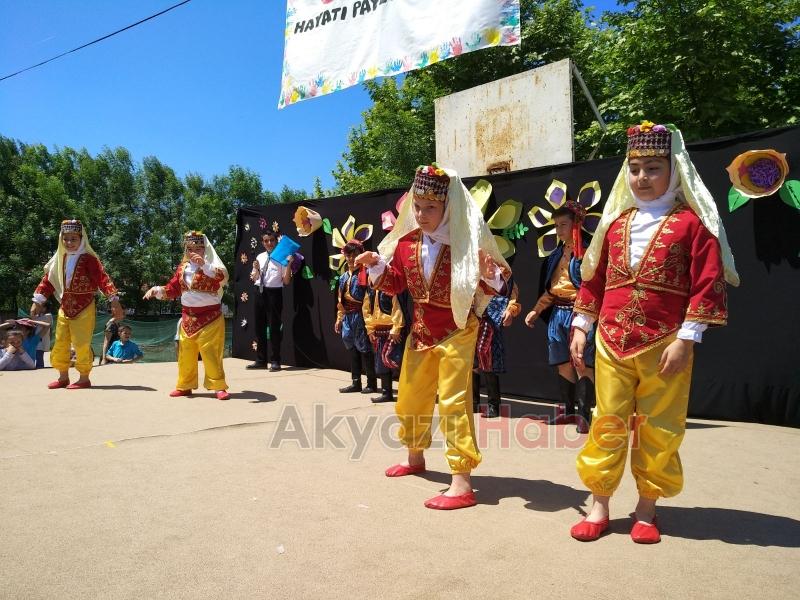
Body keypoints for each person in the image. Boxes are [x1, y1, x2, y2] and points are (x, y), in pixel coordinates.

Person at [568, 122, 739, 543]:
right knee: (606, 420)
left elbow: (707, 282)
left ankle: (646, 506)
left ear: (673, 171)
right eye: (635, 168)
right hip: (610, 339)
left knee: (658, 425)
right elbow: (595, 277)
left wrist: (687, 337)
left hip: (665, 342)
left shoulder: (691, 225)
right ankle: (600, 503)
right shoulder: (617, 223)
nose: (642, 178)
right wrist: (580, 324)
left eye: (653, 168)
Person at [356, 164, 508, 510]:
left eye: (431, 208)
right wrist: (376, 266)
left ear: (447, 208)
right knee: (410, 398)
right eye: (418, 207)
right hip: (421, 333)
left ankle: (461, 481)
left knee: (454, 404)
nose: (422, 215)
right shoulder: (408, 243)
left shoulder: (465, 244)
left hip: (457, 329)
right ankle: (415, 457)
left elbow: (490, 286)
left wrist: (492, 276)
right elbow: (396, 284)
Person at [525, 202, 596, 432]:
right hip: (558, 313)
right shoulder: (556, 254)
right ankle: (568, 412)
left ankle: (585, 415)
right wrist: (536, 310)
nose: (559, 230)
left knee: (582, 362)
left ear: (577, 224)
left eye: (563, 224)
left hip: (580, 313)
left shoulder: (588, 254)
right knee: (563, 363)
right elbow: (552, 289)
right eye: (556, 226)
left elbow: (592, 287)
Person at [30, 219, 124, 389]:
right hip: (65, 307)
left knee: (81, 343)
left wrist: (114, 301)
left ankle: (83, 378)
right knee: (60, 342)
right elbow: (49, 280)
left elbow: (103, 279)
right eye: (65, 239)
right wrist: (38, 300)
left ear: (82, 239)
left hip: (84, 307)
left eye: (73, 239)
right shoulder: (60, 259)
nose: (69, 242)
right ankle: (63, 376)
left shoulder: (89, 259)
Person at [143, 231, 230, 400]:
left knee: (210, 353)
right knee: (186, 354)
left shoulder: (212, 268)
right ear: (186, 250)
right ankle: (185, 385)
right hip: (188, 318)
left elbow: (221, 278)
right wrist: (156, 290)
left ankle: (218, 386)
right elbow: (172, 289)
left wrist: (204, 265)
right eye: (190, 249)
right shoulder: (183, 268)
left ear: (205, 250)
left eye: (199, 248)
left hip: (210, 317)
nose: (194, 252)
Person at [473, 276, 520, 418]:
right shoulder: (472, 268)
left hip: (490, 319)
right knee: (472, 359)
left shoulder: (503, 274)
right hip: (471, 318)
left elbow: (513, 295)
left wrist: (510, 310)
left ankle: (493, 405)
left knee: (486, 355)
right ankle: (473, 403)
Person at [335, 240, 377, 394]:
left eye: (354, 255)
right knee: (352, 348)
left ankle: (371, 383)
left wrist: (370, 321)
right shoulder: (343, 277)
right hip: (348, 316)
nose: (351, 259)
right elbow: (341, 300)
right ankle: (355, 382)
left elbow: (371, 298)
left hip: (361, 315)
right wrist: (340, 317)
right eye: (348, 256)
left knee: (365, 349)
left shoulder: (366, 273)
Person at [248, 230, 293, 372]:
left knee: (274, 327)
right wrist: (255, 270)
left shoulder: (282, 257)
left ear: (276, 241)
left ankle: (275, 360)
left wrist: (289, 263)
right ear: (262, 242)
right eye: (266, 241)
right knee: (259, 326)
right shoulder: (260, 257)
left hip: (274, 293)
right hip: (259, 292)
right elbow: (254, 278)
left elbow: (286, 281)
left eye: (271, 240)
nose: (269, 243)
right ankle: (261, 360)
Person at [362, 285, 408, 403]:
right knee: (381, 364)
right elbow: (366, 310)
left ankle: (407, 394)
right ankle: (386, 393)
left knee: (398, 361)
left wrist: (396, 329)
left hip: (392, 331)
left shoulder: (391, 289)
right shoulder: (370, 291)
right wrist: (370, 329)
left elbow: (398, 309)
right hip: (379, 331)